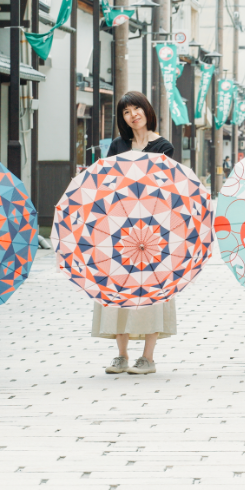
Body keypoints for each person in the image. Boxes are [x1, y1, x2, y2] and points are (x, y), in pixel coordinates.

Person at [98, 92, 177, 375]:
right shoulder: (118, 145)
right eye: (126, 111)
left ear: (146, 110)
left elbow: (164, 189)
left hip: (153, 229)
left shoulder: (163, 147)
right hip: (119, 226)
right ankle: (121, 355)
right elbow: (106, 182)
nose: (133, 115)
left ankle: (148, 357)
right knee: (119, 289)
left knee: (151, 289)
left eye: (137, 109)